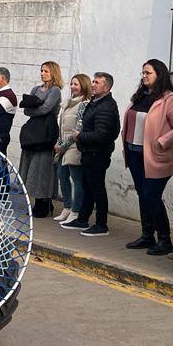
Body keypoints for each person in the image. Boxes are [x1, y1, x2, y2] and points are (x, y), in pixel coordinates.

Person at [120, 59, 173, 254]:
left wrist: (162, 141)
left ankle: (165, 240)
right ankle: (147, 235)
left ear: (159, 75)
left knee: (152, 196)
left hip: (156, 156)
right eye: (142, 72)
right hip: (134, 153)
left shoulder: (169, 99)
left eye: (148, 73)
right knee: (143, 195)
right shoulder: (140, 96)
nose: (144, 76)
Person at [62, 72, 120, 237]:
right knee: (88, 187)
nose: (93, 84)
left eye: (97, 82)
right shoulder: (95, 102)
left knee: (97, 189)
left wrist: (79, 136)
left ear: (107, 87)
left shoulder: (107, 106)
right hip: (88, 152)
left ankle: (101, 225)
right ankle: (82, 219)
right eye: (93, 81)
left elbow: (103, 135)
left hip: (97, 154)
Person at [18, 62, 63, 218]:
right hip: (33, 131)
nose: (42, 73)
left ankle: (44, 202)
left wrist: (34, 107)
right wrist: (35, 107)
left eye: (46, 71)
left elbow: (46, 108)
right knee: (30, 166)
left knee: (42, 167)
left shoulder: (55, 90)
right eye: (41, 70)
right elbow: (26, 109)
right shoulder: (36, 89)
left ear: (53, 73)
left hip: (46, 131)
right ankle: (36, 200)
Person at [54, 74, 91, 223]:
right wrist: (58, 142)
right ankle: (67, 207)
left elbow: (78, 128)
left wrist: (62, 146)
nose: (72, 87)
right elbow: (62, 127)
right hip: (63, 147)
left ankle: (76, 211)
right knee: (62, 176)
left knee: (77, 180)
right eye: (72, 84)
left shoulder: (84, 104)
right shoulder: (67, 103)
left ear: (83, 86)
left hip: (74, 147)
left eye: (76, 84)